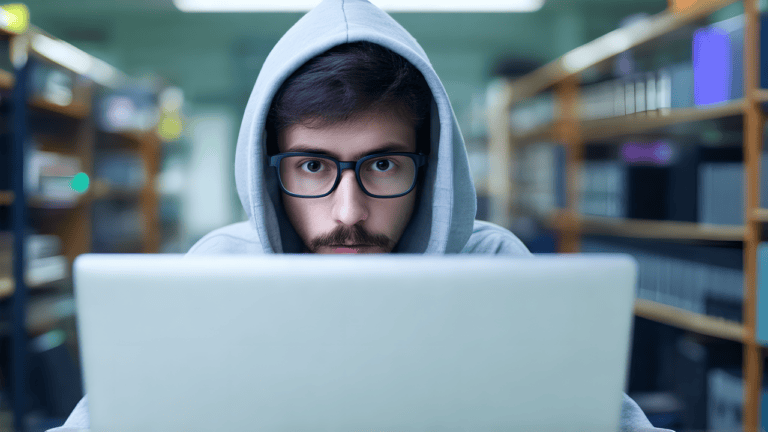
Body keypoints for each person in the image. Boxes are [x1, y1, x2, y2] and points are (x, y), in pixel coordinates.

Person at [50, 0, 673, 430]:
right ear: (271, 170)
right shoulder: (218, 272)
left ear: (427, 168)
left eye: (382, 166)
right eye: (314, 167)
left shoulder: (493, 268)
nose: (349, 213)